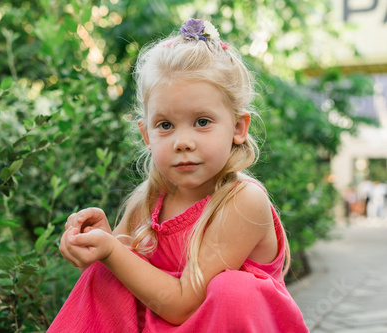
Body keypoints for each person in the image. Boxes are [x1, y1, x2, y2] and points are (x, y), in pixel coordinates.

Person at [47, 18, 307, 332]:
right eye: (166, 125)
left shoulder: (243, 201)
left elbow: (182, 304)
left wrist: (113, 250)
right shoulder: (148, 199)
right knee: (107, 273)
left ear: (238, 127)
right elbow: (118, 279)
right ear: (146, 134)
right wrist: (96, 244)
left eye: (202, 122)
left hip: (213, 322)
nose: (183, 142)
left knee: (233, 290)